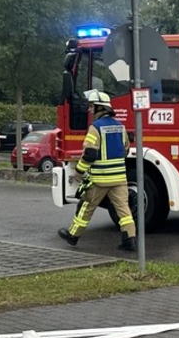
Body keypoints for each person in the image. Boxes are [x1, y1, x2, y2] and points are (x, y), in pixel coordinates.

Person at [58, 90, 137, 251]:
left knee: (86, 206)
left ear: (99, 108)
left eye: (91, 106)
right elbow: (126, 150)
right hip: (119, 178)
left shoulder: (95, 128)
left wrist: (79, 172)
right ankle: (130, 240)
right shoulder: (120, 126)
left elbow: (89, 154)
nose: (89, 109)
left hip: (100, 179)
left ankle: (73, 235)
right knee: (124, 210)